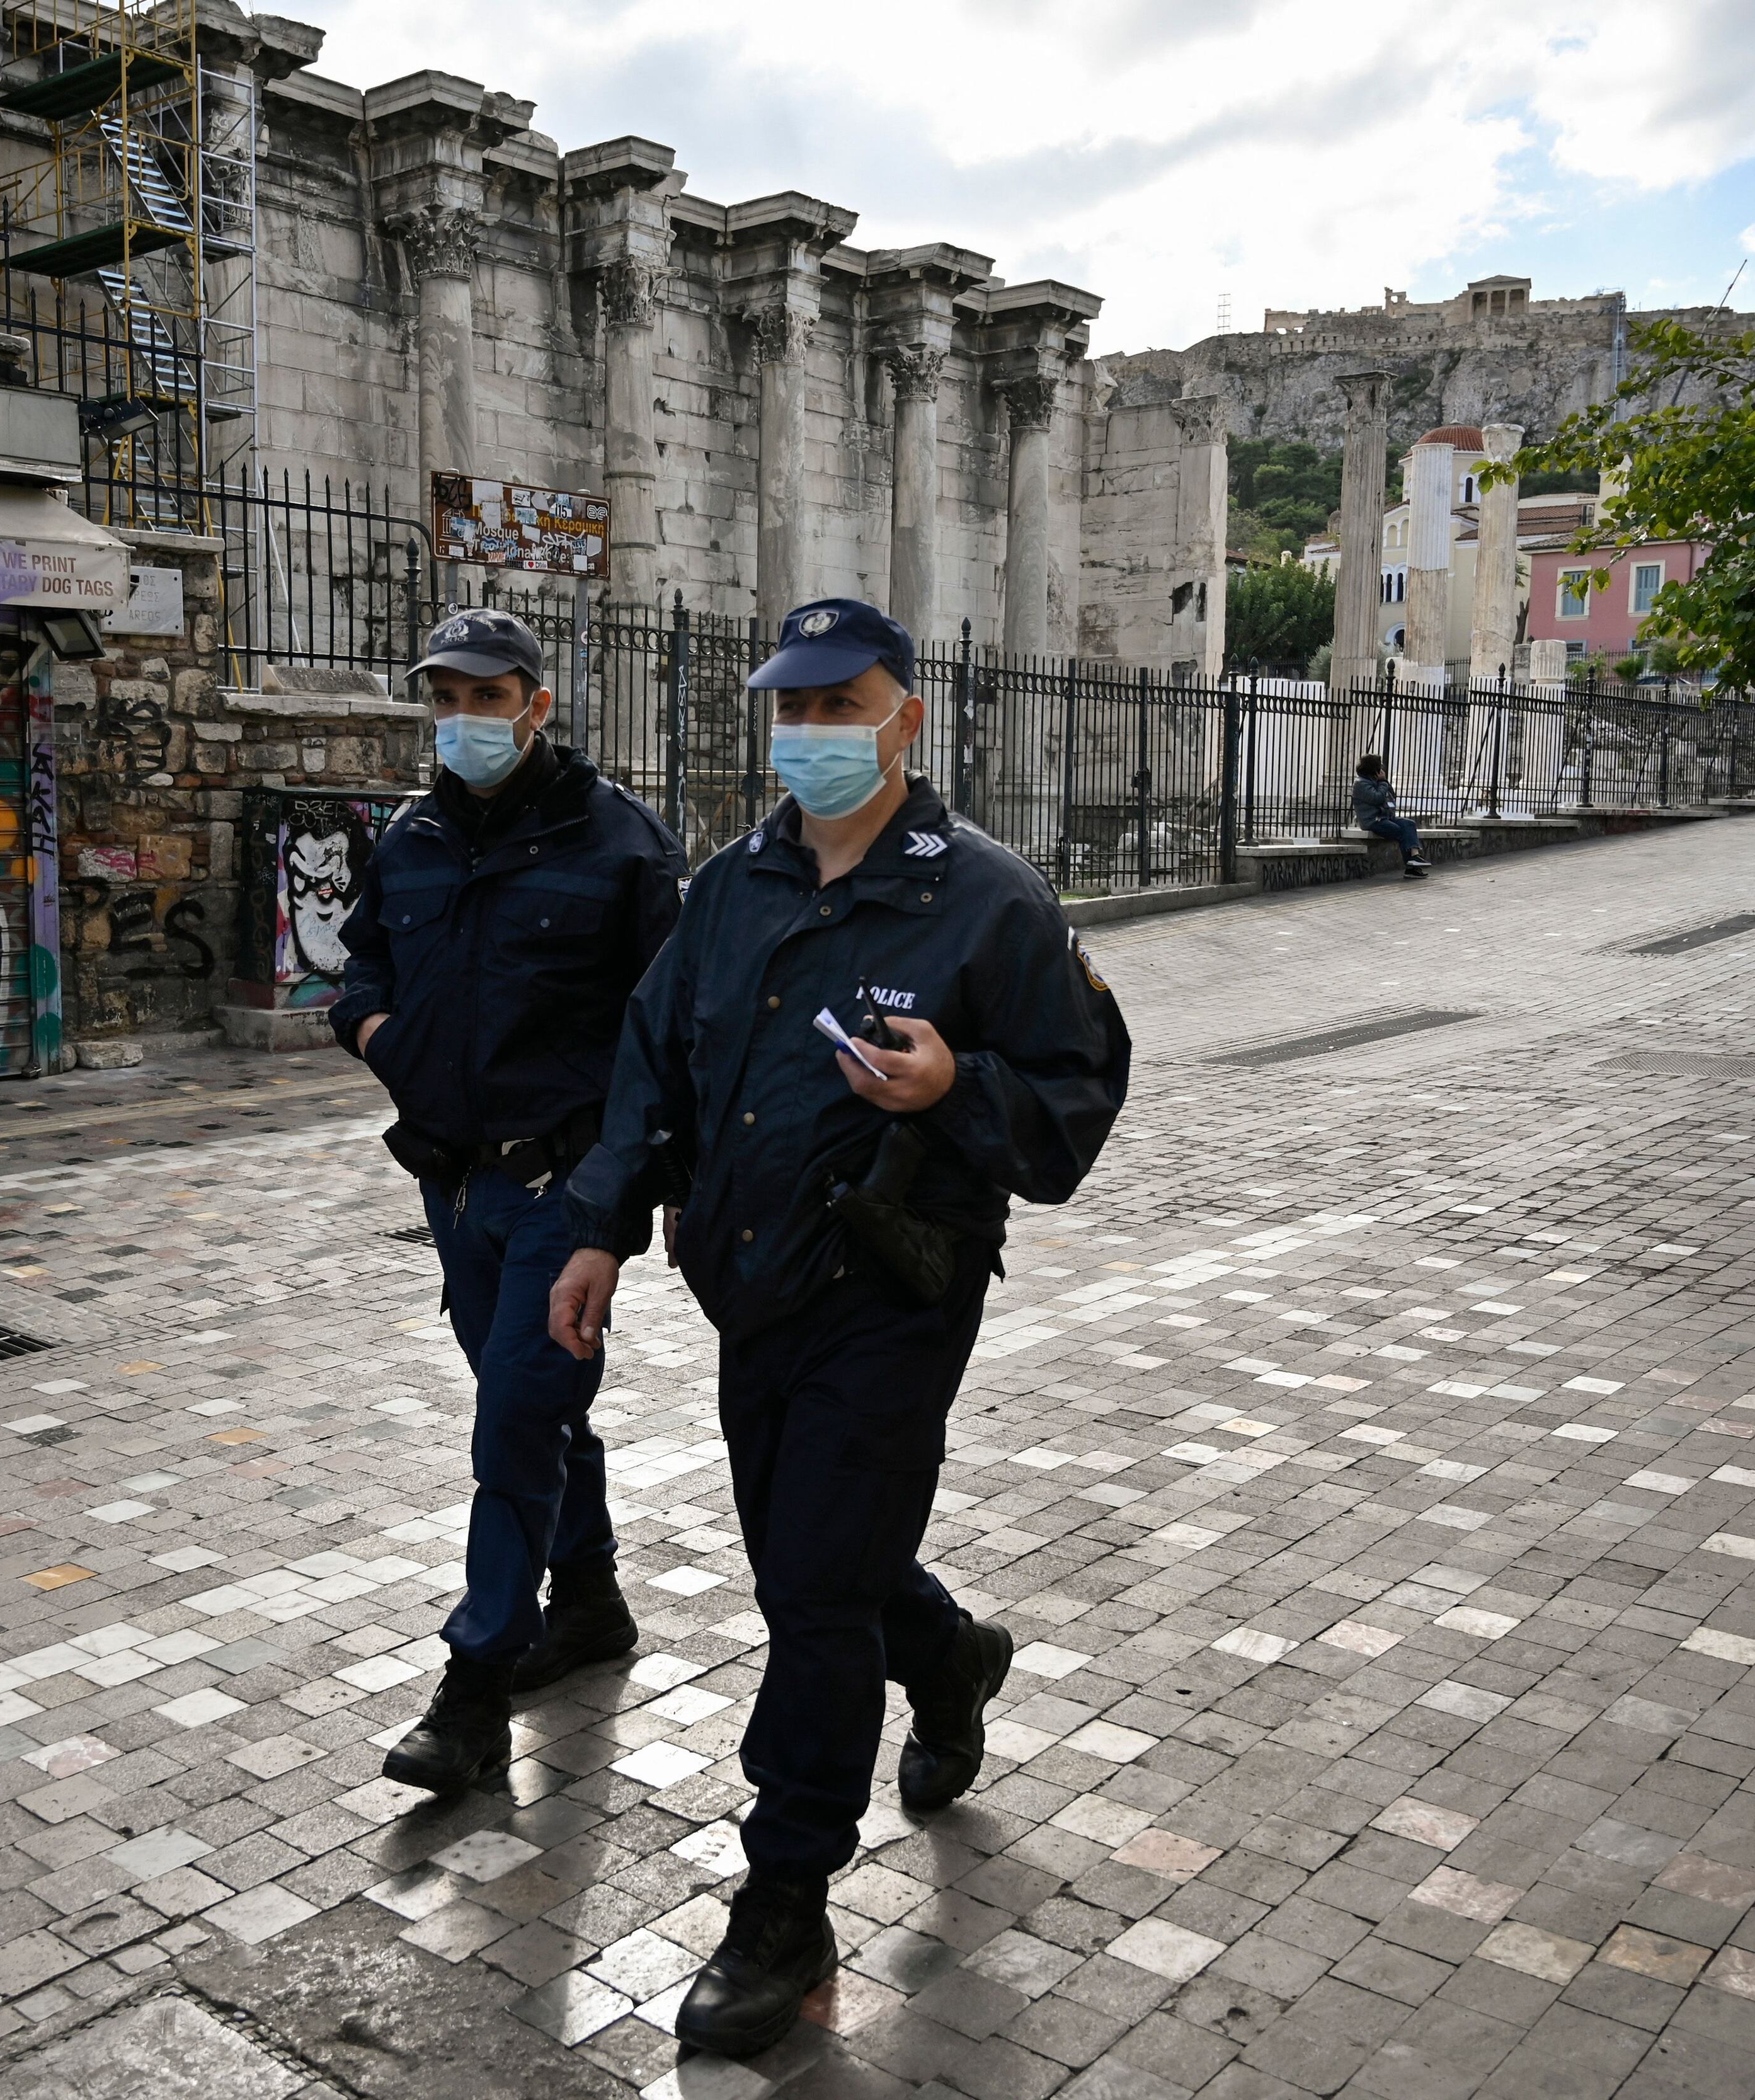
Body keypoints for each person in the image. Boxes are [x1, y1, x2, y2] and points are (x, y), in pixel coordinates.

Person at [547, 599, 1130, 2061]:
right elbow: (652, 1076)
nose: (807, 735)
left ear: (904, 722)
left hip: (891, 1297)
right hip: (748, 1294)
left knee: (809, 1595)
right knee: (829, 1570)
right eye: (789, 710)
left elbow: (1070, 1111)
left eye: (838, 706)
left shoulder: (986, 900)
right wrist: (601, 1225)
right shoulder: (730, 889)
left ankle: (785, 1899)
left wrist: (956, 1095)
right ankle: (943, 1657)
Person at [331, 606, 687, 1795]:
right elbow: (364, 960)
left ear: (537, 703)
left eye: (488, 696)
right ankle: (587, 1598)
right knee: (524, 1403)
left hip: (563, 1188)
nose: (464, 718)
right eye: (447, 695)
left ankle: (475, 1686)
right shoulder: (415, 836)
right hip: (453, 1180)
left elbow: (667, 1031)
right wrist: (377, 1031)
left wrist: (644, 1189)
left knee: (516, 1423)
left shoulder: (617, 842)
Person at [1353, 754, 1429, 878]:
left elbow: (1391, 795)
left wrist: (1385, 782)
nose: (1381, 769)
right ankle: (1411, 868)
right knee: (1400, 831)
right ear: (1373, 768)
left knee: (1409, 824)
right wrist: (1383, 782)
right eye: (1379, 767)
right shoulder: (1360, 783)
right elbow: (1376, 798)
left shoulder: (1374, 781)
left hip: (1385, 817)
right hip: (1373, 820)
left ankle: (1415, 856)